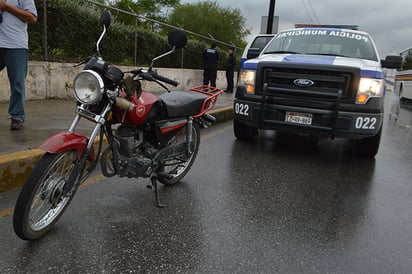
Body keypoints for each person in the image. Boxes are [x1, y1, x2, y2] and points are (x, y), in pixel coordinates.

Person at [0, 0, 38, 130]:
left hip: (16, 45)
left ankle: (17, 116)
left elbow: (32, 18)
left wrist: (6, 7)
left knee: (17, 83)